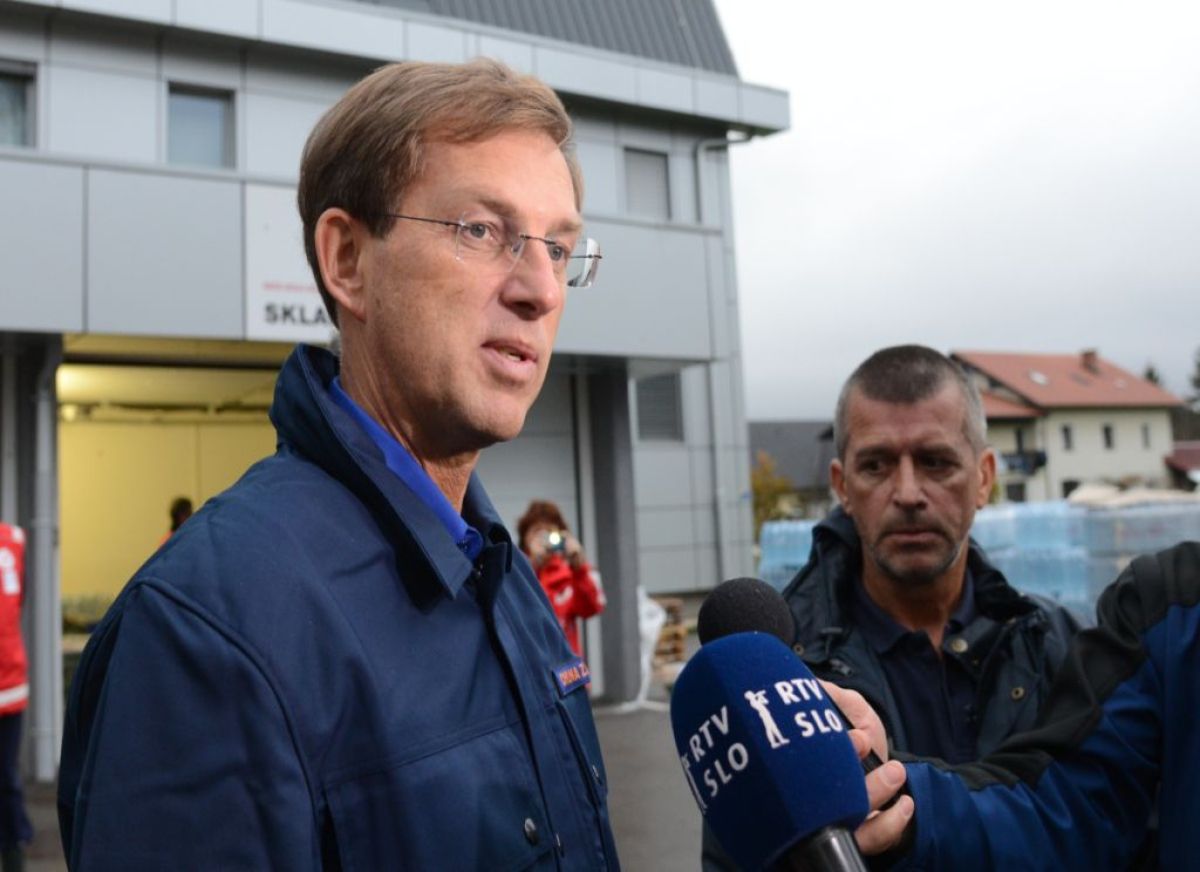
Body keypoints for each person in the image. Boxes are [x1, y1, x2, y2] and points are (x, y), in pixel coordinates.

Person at [58, 59, 616, 869]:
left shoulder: (508, 581)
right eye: (480, 230)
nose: (542, 290)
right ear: (347, 259)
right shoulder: (204, 629)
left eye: (559, 248)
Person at [704, 345, 1082, 869]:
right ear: (843, 486)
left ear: (984, 478)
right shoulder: (776, 675)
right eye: (877, 465)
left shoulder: (1059, 644)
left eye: (936, 462)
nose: (907, 493)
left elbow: (1107, 829)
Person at [844, 540, 1200, 869]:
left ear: (982, 492)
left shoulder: (1053, 634)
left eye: (937, 470)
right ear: (842, 495)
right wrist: (903, 801)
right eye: (876, 471)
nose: (910, 499)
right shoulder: (1165, 604)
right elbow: (1073, 808)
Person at [517, 500, 605, 656]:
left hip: (565, 664)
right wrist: (531, 566)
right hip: (529, 662)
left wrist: (579, 567)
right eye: (537, 533)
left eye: (548, 533)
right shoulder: (514, 572)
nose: (543, 540)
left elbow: (592, 608)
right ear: (525, 538)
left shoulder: (570, 574)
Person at [0, 522, 31, 872]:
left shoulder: (14, 540)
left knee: (6, 774)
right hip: (11, 675)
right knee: (7, 774)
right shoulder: (14, 540)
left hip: (8, 681)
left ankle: (13, 848)